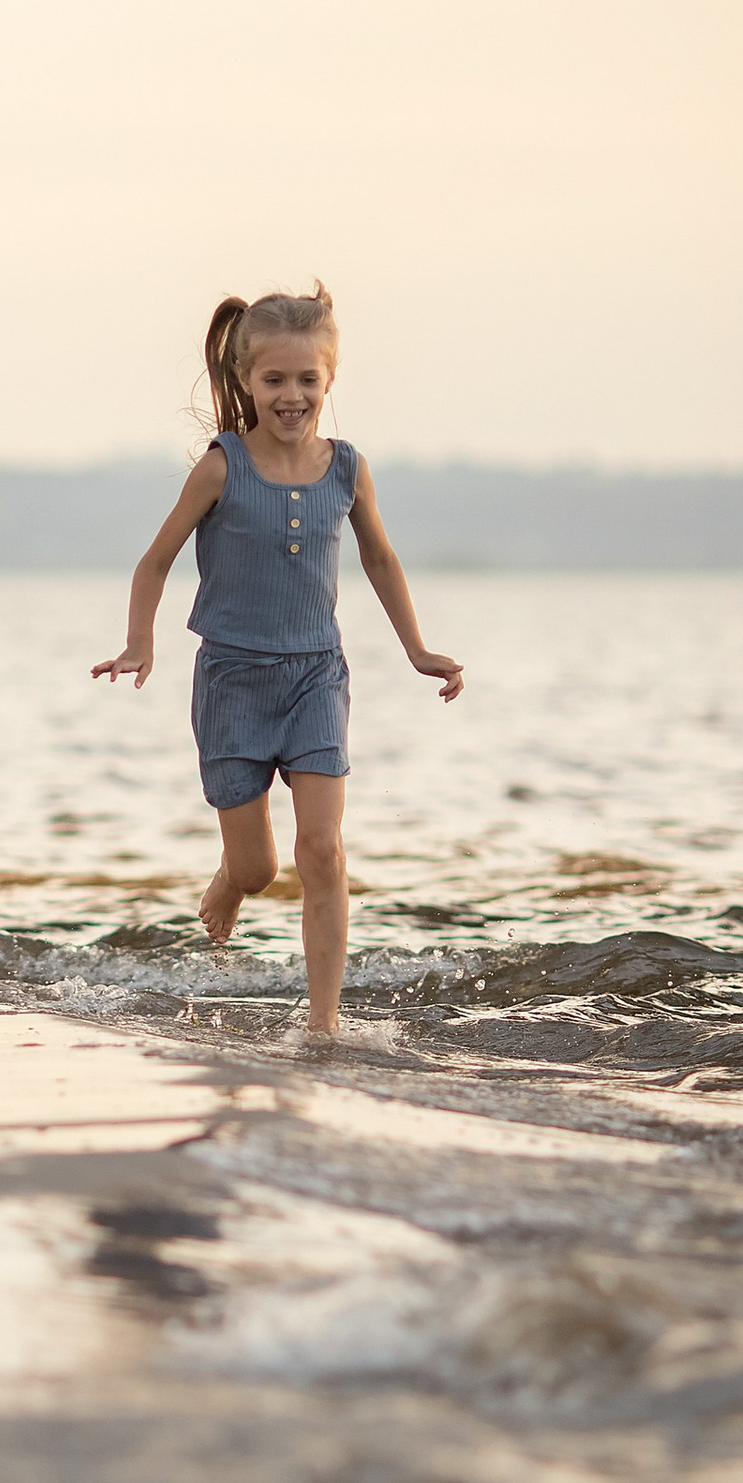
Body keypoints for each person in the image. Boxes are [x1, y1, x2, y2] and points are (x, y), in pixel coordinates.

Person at [93, 284, 462, 1035]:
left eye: (307, 380)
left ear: (329, 381)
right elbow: (155, 562)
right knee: (261, 869)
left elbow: (382, 562)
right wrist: (141, 638)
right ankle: (231, 882)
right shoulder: (221, 468)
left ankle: (323, 1024)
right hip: (233, 681)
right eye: (274, 380)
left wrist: (418, 650)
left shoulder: (346, 470)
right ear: (245, 382)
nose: (291, 396)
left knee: (322, 849)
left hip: (315, 678)